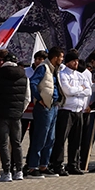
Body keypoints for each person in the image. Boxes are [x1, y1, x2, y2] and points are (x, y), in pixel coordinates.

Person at [0, 49, 28, 183]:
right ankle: (19, 171)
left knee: (3, 144)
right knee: (16, 143)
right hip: (16, 115)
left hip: (0, 114)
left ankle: (7, 172)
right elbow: (27, 98)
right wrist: (20, 110)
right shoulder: (24, 76)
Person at [53, 49, 91, 175]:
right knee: (61, 139)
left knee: (76, 140)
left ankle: (73, 164)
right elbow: (67, 91)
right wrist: (81, 89)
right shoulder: (63, 74)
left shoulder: (80, 75)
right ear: (68, 62)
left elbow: (89, 91)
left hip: (79, 110)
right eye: (73, 60)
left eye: (77, 60)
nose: (76, 63)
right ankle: (57, 164)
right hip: (66, 110)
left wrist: (77, 91)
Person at [25, 48, 62, 177]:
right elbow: (33, 83)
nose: (62, 60)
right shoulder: (43, 68)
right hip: (44, 107)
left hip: (54, 106)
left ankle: (43, 165)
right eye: (61, 57)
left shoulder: (55, 69)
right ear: (55, 57)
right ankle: (32, 166)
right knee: (41, 136)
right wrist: (39, 99)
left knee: (50, 138)